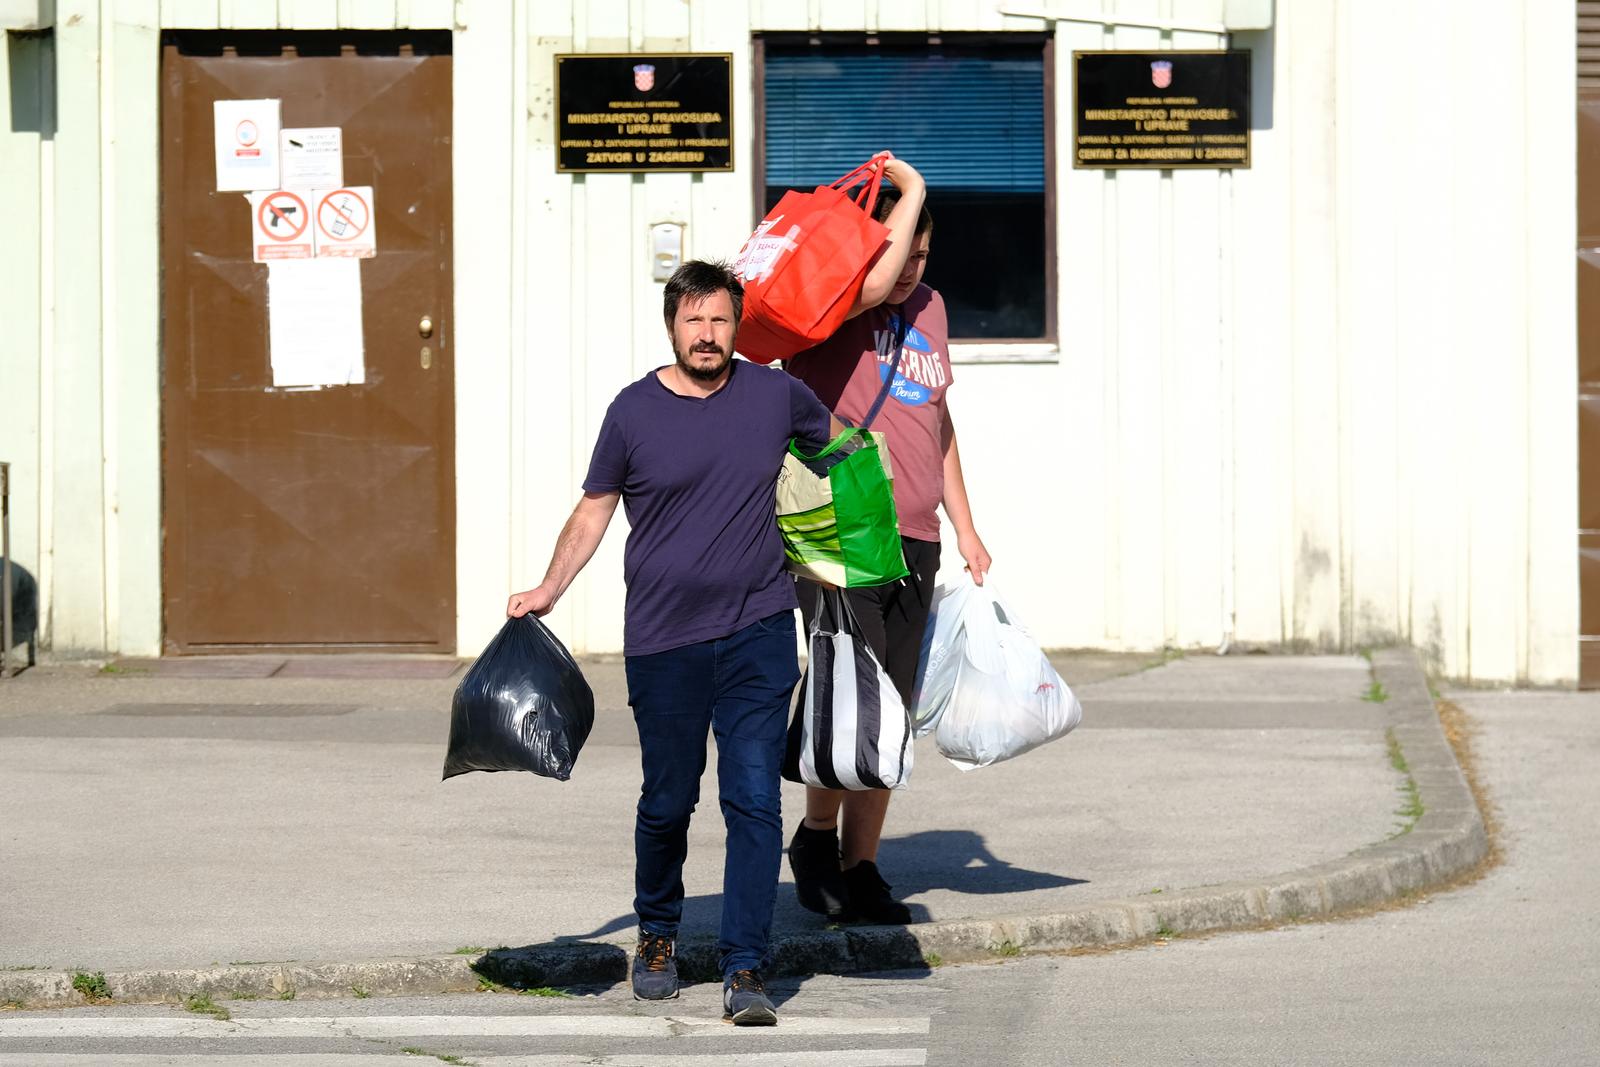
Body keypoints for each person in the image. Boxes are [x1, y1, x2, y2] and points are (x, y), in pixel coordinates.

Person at [506, 260, 841, 1026]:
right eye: (694, 321)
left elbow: (843, 462)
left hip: (759, 629)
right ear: (672, 327)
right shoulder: (632, 411)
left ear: (736, 326)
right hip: (664, 640)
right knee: (668, 800)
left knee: (753, 799)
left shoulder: (775, 394)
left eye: (721, 320)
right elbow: (592, 511)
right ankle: (656, 935)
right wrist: (548, 589)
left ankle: (745, 965)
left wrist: (870, 544)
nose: (708, 334)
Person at [783, 158, 992, 924]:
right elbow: (871, 281)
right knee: (850, 699)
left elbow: (938, 422)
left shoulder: (932, 309)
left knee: (893, 708)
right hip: (843, 523)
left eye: (924, 256)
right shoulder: (837, 301)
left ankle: (862, 865)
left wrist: (965, 524)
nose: (911, 270)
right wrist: (913, 192)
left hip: (917, 531)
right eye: (900, 252)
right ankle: (815, 837)